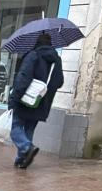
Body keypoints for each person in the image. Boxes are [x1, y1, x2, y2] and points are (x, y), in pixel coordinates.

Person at [8, 32, 64, 169]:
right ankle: (22, 159)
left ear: (37, 42)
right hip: (42, 101)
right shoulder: (56, 59)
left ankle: (26, 148)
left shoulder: (33, 55)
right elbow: (59, 82)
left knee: (15, 128)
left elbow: (23, 78)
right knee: (29, 129)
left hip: (25, 99)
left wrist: (14, 98)